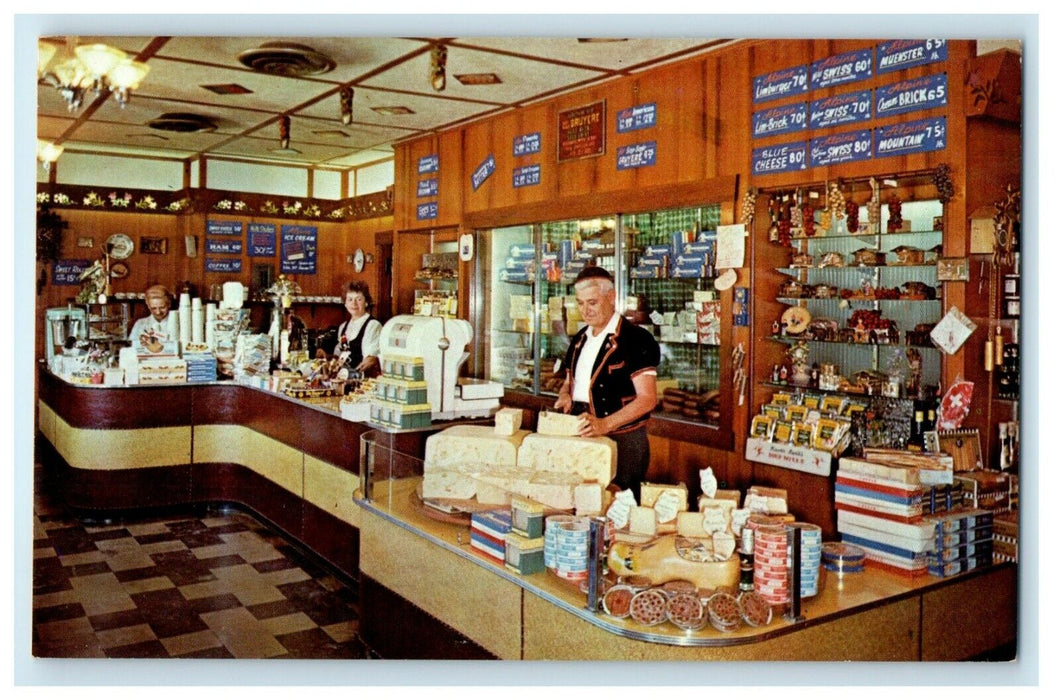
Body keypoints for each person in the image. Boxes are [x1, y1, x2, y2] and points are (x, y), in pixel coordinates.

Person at [554, 266, 660, 502]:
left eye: (592, 302)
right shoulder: (580, 338)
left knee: (618, 508)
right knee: (583, 503)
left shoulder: (636, 339)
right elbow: (569, 380)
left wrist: (604, 425)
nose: (585, 311)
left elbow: (647, 399)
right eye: (580, 303)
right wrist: (565, 395)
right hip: (583, 434)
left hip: (623, 440)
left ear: (611, 297)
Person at [322, 281, 382, 377]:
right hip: (344, 378)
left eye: (358, 299)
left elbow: (370, 359)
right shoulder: (343, 327)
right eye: (349, 299)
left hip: (362, 381)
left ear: (366, 302)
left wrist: (352, 375)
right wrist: (326, 360)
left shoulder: (372, 325)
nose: (353, 303)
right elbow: (338, 355)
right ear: (345, 304)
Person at [128, 284, 173, 353]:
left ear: (169, 304)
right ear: (148, 306)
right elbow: (131, 348)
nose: (158, 312)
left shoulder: (178, 323)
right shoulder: (140, 324)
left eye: (162, 307)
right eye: (153, 308)